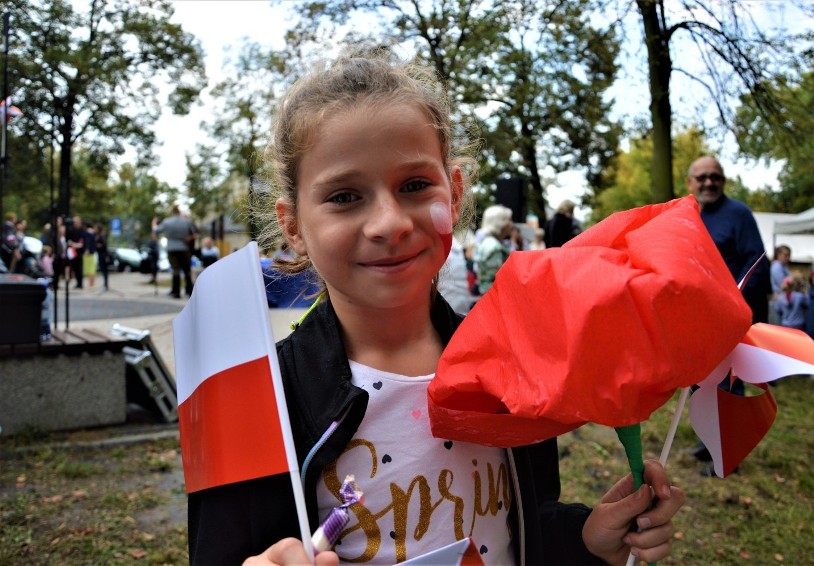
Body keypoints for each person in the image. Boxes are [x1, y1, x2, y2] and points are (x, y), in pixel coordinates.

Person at [188, 54, 684, 566]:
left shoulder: (510, 365)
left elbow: (522, 524)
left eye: (414, 186)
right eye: (344, 196)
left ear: (456, 190)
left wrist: (585, 538)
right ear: (292, 225)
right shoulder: (256, 400)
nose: (389, 223)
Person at [686, 156, 771, 476]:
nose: (709, 182)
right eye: (702, 177)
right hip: (696, 318)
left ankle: (728, 457)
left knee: (728, 388)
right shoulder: (690, 215)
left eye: (715, 176)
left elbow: (757, 263)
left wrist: (735, 307)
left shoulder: (739, 214)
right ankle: (708, 443)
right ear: (690, 182)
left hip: (728, 318)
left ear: (723, 180)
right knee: (699, 385)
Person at [152, 205, 196, 298]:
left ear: (172, 213)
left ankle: (176, 291)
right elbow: (195, 233)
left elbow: (156, 230)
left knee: (175, 269)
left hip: (172, 248)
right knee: (186, 269)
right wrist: (189, 238)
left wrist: (154, 223)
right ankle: (189, 290)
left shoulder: (167, 222)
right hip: (184, 248)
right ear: (179, 213)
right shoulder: (186, 222)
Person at [473, 204, 514, 294]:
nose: (512, 224)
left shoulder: (487, 242)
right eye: (510, 220)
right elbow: (495, 281)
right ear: (500, 222)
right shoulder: (494, 247)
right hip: (495, 298)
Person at [65, 215, 86, 289]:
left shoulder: (82, 230)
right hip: (72, 251)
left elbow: (84, 241)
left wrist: (78, 245)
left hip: (79, 252)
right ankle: (77, 282)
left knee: (79, 268)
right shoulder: (71, 230)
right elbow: (68, 240)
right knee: (74, 267)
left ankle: (80, 283)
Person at [94, 223, 110, 290]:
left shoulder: (102, 235)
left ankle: (106, 284)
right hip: (100, 254)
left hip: (103, 254)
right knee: (103, 269)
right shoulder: (97, 235)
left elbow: (104, 244)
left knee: (104, 269)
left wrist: (99, 245)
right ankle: (105, 283)